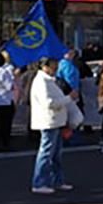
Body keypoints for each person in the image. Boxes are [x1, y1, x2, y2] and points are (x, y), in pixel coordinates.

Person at [30, 57, 74, 194]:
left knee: (55, 154)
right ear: (45, 66)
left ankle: (57, 180)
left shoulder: (48, 81)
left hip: (55, 120)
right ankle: (39, 182)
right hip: (48, 120)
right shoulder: (42, 82)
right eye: (53, 65)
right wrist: (68, 98)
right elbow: (48, 103)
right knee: (46, 152)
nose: (56, 67)